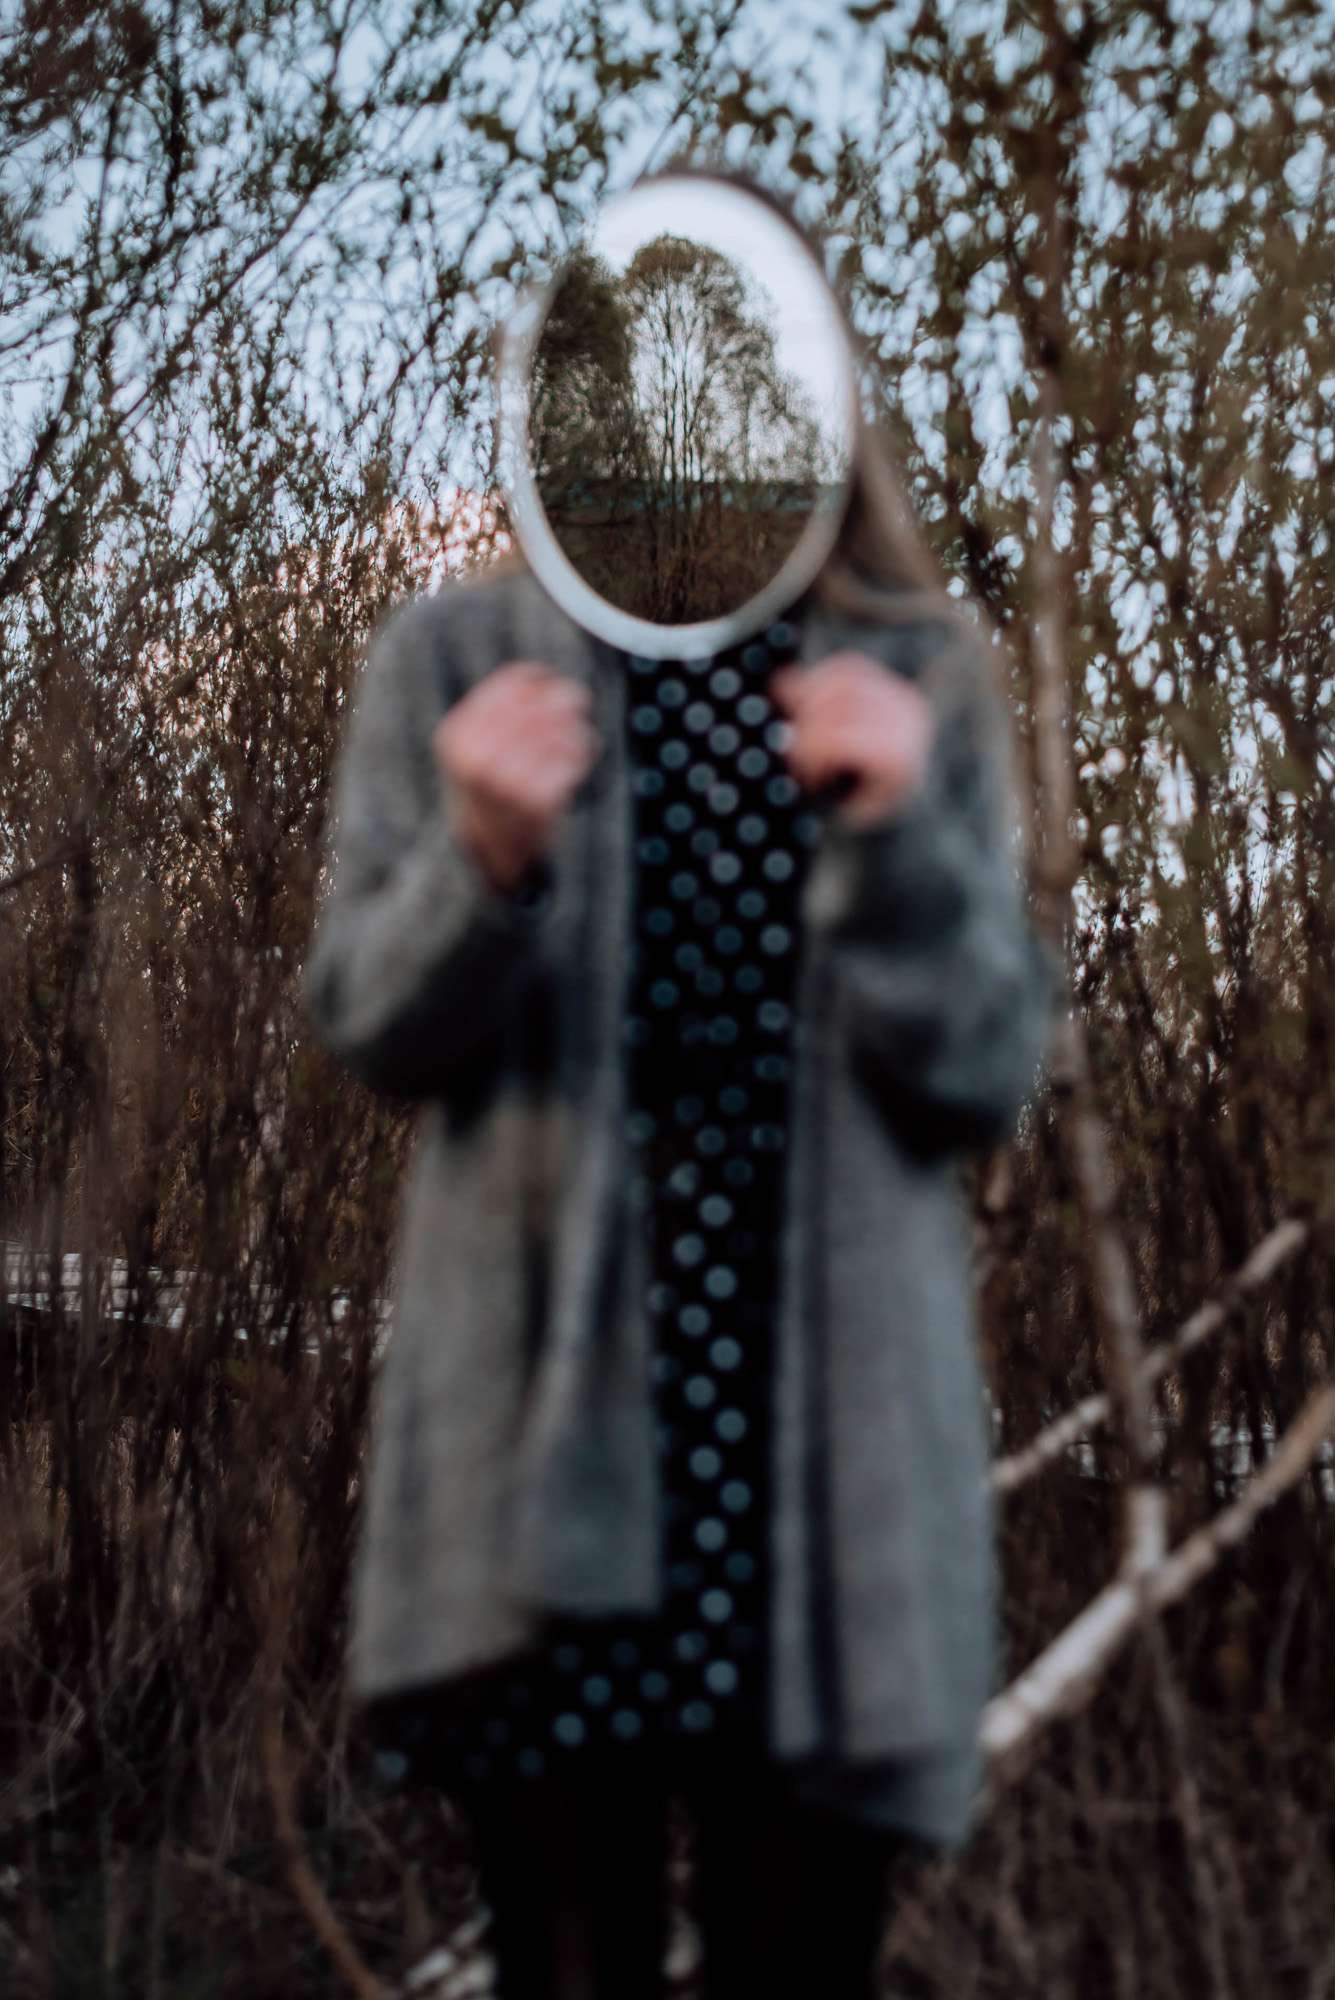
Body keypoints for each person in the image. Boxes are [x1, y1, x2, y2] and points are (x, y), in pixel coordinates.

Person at [303, 175, 1054, 2000]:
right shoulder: (456, 664)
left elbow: (985, 1071)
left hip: (827, 1492)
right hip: (538, 1481)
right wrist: (481, 857)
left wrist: (901, 835)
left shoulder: (916, 672)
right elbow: (371, 1025)